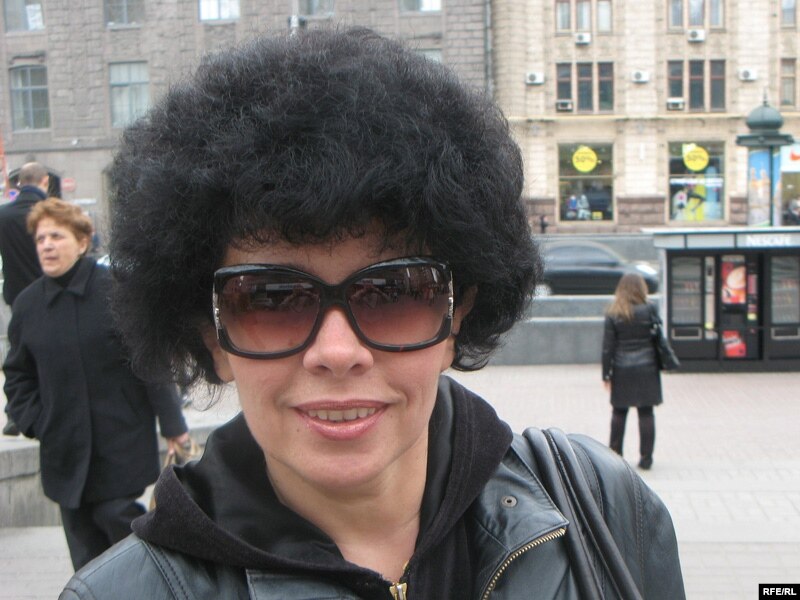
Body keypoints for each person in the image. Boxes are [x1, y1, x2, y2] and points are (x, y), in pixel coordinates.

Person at [60, 29, 684, 599]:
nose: (337, 352)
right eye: (273, 299)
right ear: (211, 334)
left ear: (457, 315)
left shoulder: (604, 512)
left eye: (393, 293)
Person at [2, 198, 190, 571]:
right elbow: (18, 375)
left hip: (119, 442)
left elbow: (149, 361)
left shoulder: (115, 291)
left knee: (119, 529)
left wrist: (173, 426)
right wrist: (36, 421)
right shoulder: (27, 305)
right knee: (84, 552)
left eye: (57, 236)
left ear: (82, 242)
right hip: (63, 449)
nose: (47, 245)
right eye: (40, 239)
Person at [0, 162, 49, 436]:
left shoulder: (3, 216)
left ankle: (14, 413)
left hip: (17, 298)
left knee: (18, 354)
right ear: (45, 182)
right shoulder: (50, 214)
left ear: (19, 183)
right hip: (51, 295)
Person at [601, 273, 663, 470]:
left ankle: (615, 457)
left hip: (622, 369)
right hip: (647, 367)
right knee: (646, 413)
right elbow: (658, 337)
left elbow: (608, 347)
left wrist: (606, 374)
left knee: (619, 412)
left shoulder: (614, 312)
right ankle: (646, 458)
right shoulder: (650, 309)